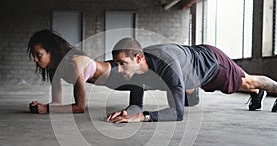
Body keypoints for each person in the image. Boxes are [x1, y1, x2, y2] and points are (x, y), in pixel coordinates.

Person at [107, 38, 277, 123]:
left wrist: (142, 117)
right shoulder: (135, 72)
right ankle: (257, 93)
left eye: (122, 64)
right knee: (242, 84)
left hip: (212, 63)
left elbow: (177, 113)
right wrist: (128, 113)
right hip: (192, 69)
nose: (119, 69)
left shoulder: (167, 65)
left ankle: (259, 89)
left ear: (138, 58)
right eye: (117, 64)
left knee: (248, 81)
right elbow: (137, 104)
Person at [27, 30, 199, 114]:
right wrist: (45, 106)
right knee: (158, 84)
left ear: (51, 51)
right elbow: (56, 102)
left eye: (38, 54)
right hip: (111, 77)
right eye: (34, 55)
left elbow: (79, 108)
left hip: (117, 74)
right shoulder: (55, 69)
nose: (35, 59)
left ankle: (190, 87)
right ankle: (185, 87)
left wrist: (48, 110)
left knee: (160, 83)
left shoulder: (74, 62)